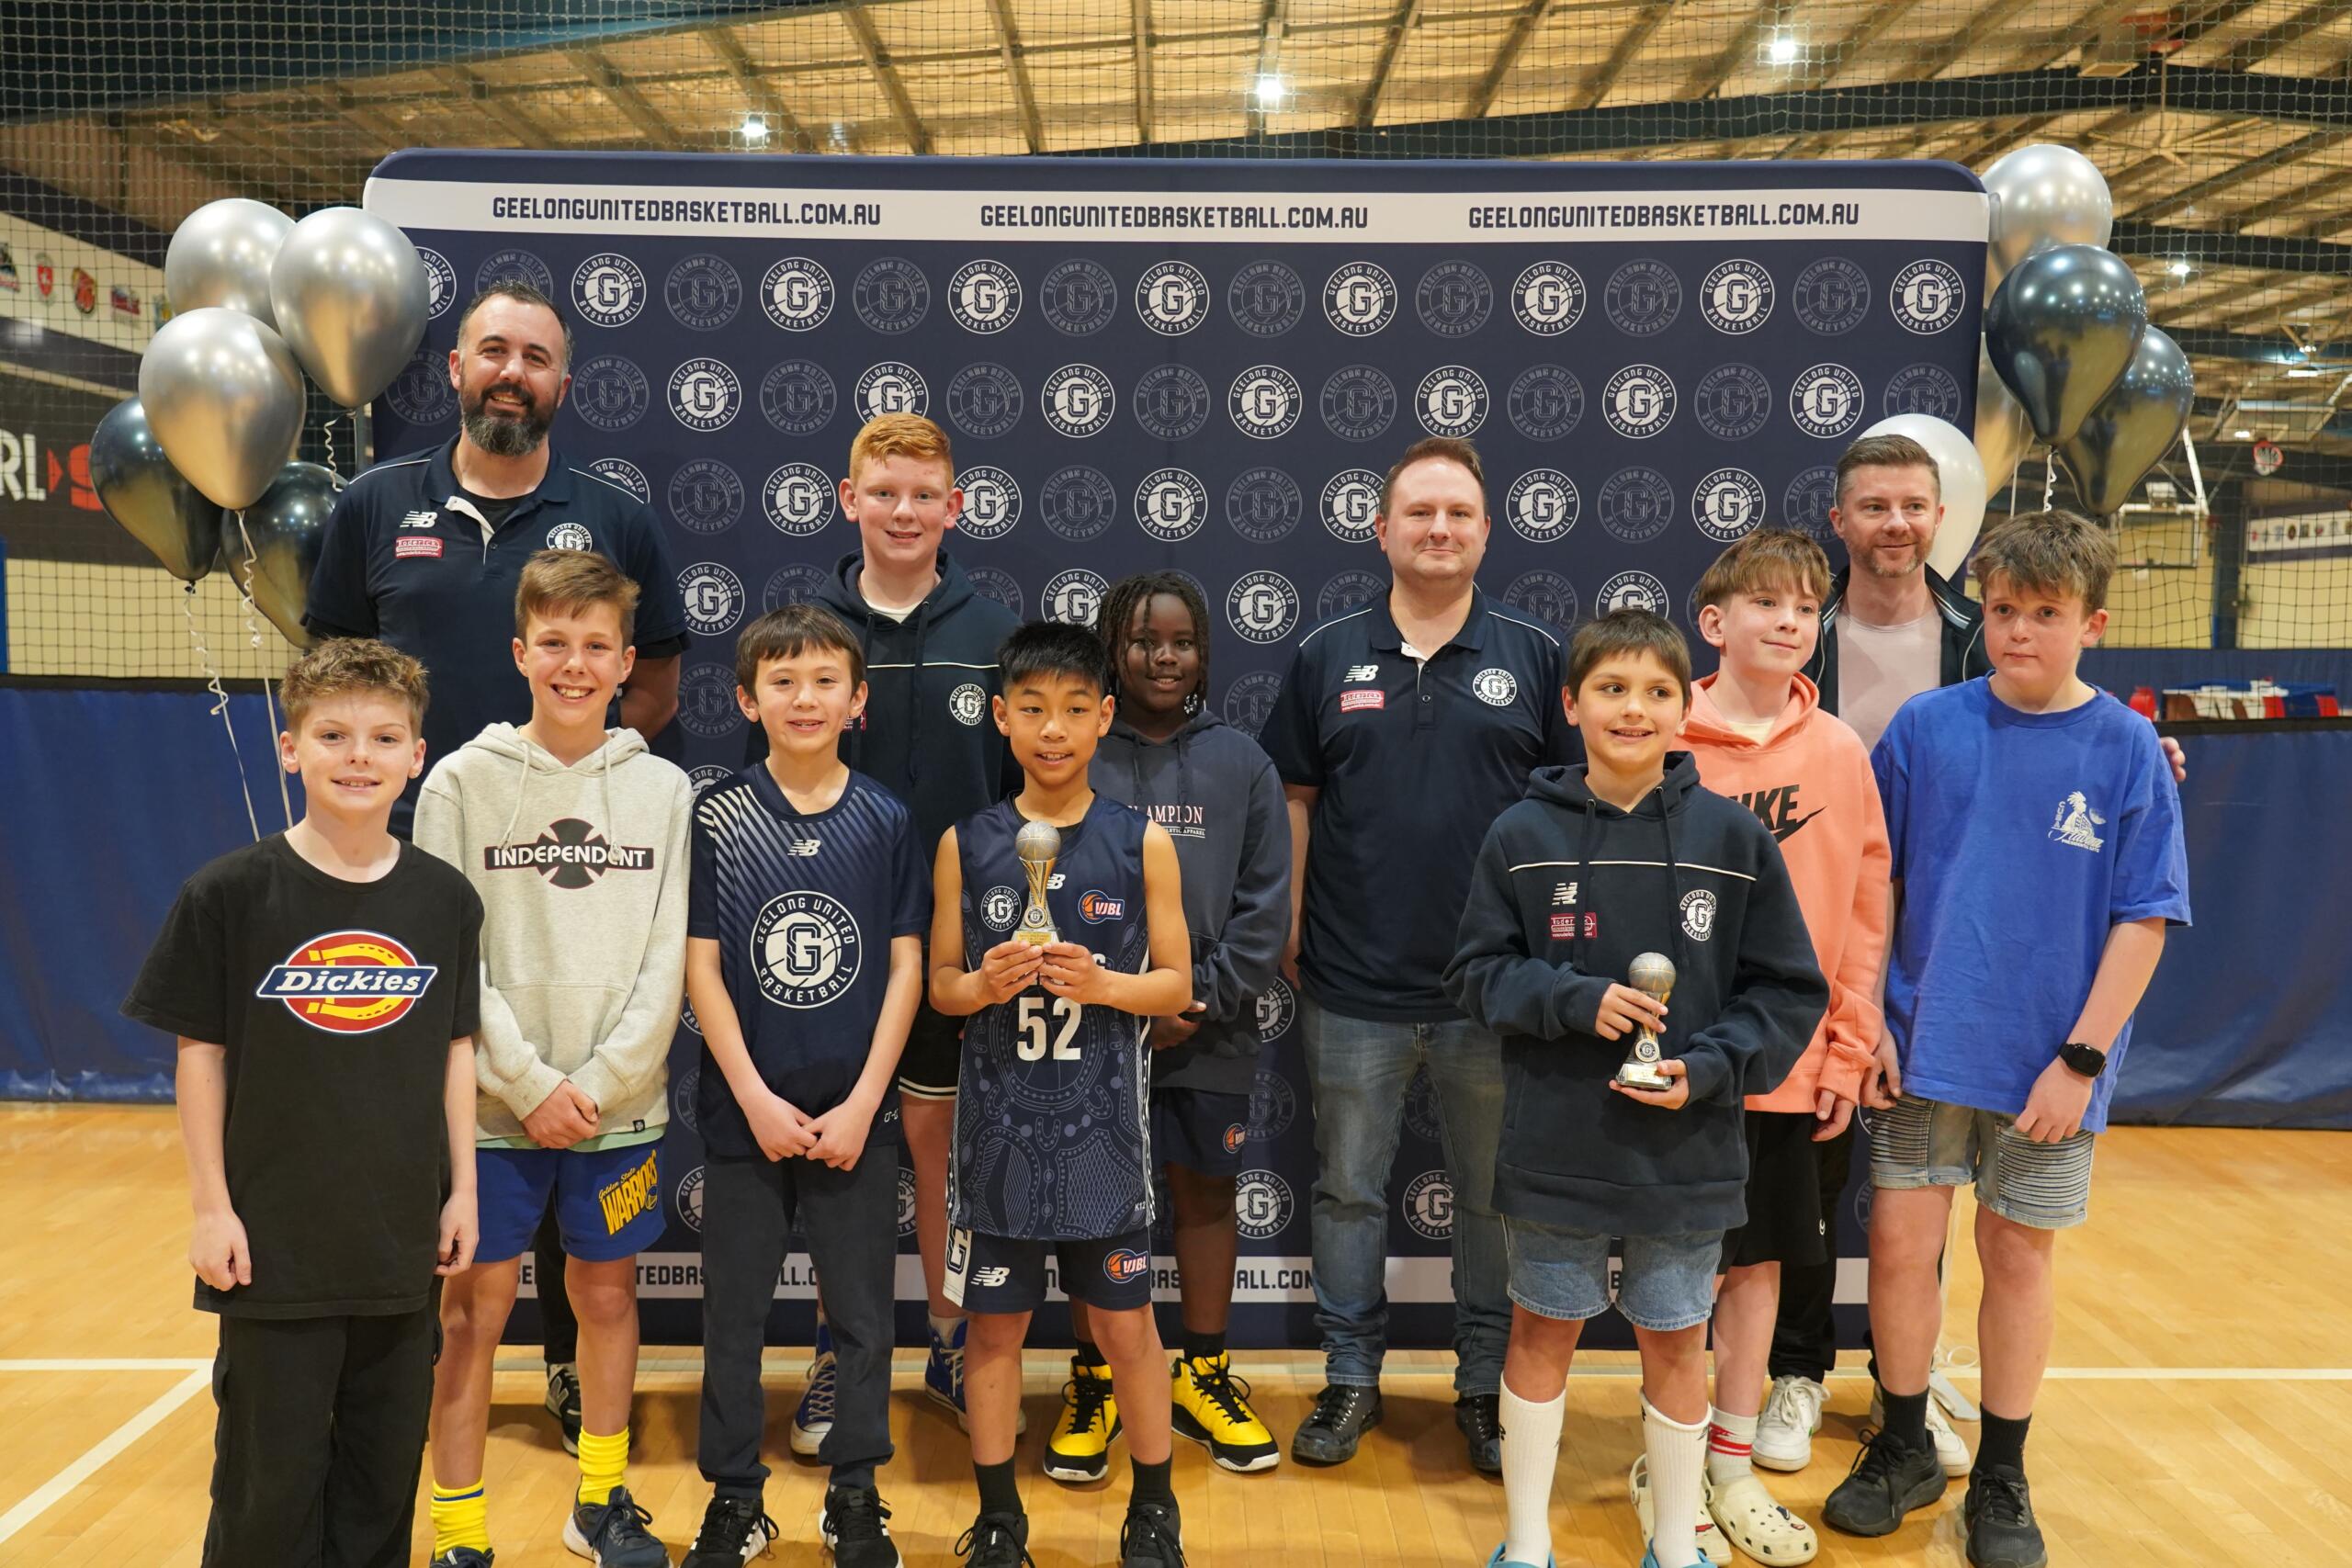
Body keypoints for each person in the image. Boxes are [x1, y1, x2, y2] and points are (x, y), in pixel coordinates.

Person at [1764, 434, 2185, 1476]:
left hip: (2046, 1060)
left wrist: (2080, 1059)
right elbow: (1879, 883)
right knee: (1896, 1243)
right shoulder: (1916, 720)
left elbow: (2144, 917)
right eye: (2004, 611)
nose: (2018, 630)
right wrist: (1870, 1018)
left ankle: (1999, 1468)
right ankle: (1891, 1436)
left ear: (2091, 624)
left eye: (2044, 613)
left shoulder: (2127, 746)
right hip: (1912, 1039)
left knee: (2015, 1254)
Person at [306, 278, 688, 1424]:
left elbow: (659, 681)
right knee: (416, 1132)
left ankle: (570, 1368)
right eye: (492, 351)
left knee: (570, 1118)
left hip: (568, 872)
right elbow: (334, 684)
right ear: (456, 369)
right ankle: (388, 1379)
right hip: (399, 872)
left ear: (562, 383)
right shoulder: (376, 504)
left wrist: (571, 780)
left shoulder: (612, 516)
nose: (512, 372)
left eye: (534, 356)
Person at [1443, 608, 1829, 1568]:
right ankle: (1527, 1542)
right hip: (1557, 1142)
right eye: (1611, 689)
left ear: (1682, 706)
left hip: (1686, 1149)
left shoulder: (1733, 837)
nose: (1634, 709)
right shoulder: (1521, 834)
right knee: (1542, 1332)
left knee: (1675, 1342)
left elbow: (1787, 991)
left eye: (1657, 691)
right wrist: (1572, 1000)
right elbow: (1476, 973)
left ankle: (1674, 1543)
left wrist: (1709, 1068)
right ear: (1571, 704)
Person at [122, 637, 482, 1568]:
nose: (358, 756)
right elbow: (199, 1056)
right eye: (332, 735)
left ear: (417, 755)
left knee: (379, 1484)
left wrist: (463, 1191)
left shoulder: (445, 899)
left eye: (384, 737)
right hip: (272, 1250)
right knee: (267, 1489)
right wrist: (211, 1207)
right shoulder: (229, 894)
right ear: (290, 749)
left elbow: (455, 1051)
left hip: (398, 1244)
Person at [1259, 434, 1578, 1471]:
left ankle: (1483, 1386)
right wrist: (1291, 924)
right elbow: (1295, 799)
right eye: (1419, 513)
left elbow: (1570, 817)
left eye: (1457, 514)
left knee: (1490, 1197)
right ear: (1382, 529)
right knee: (1348, 1190)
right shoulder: (1326, 653)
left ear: (1486, 531)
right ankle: (1350, 1376)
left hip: (1494, 991)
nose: (1439, 529)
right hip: (1351, 981)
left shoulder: (1535, 655)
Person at [413, 551, 692, 1568]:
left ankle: (602, 1502)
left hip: (619, 1106)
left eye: (596, 646)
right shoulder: (459, 783)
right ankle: (459, 1530)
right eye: (555, 644)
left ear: (625, 662)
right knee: (471, 1314)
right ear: (521, 652)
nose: (575, 664)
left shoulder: (663, 789)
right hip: (492, 1109)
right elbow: (452, 956)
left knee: (607, 1298)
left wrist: (600, 1083)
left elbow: (667, 956)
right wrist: (527, 1083)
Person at [757, 412, 1022, 1446]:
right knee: (842, 1156)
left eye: (923, 495)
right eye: (883, 493)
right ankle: (842, 1352)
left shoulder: (992, 634)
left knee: (941, 1152)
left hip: (954, 952)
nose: (903, 512)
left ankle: (950, 1342)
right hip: (832, 946)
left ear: (955, 507)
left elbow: (1021, 797)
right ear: (847, 500)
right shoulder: (807, 632)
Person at [1631, 530, 1890, 1564]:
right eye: (1765, 604)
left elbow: (1866, 909)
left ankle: (1730, 1466)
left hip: (1786, 1059)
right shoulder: (1659, 735)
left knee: (1757, 1268)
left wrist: (1846, 1045)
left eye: (1804, 608)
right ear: (1714, 622)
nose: (1787, 622)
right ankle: (1670, 1462)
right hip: (1675, 1062)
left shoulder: (1839, 752)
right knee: (1676, 1276)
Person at [927, 622, 1194, 1568]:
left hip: (1103, 1140)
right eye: (1033, 709)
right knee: (993, 1331)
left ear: (1104, 717)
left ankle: (1153, 1512)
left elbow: (1175, 985)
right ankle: (1001, 1519)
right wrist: (984, 983)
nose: (1053, 728)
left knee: (1127, 1327)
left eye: (1076, 709)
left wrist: (1105, 984)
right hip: (998, 1137)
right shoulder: (967, 843)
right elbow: (942, 988)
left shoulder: (1141, 841)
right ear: (1001, 716)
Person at [679, 604, 928, 1568]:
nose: (805, 698)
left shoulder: (886, 818)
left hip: (855, 1117)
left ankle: (855, 1495)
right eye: (782, 682)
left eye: (826, 681)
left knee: (862, 1318)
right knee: (733, 1319)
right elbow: (701, 966)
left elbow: (904, 966)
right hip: (745, 1114)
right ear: (748, 700)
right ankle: (735, 1498)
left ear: (857, 700)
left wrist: (866, 1100)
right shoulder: (720, 816)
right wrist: (750, 1095)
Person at [1035, 572, 1289, 1483]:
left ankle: (1203, 1373)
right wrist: (1117, 995)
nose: (1164, 657)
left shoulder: (1242, 763)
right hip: (1092, 1027)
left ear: (1204, 652)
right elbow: (1037, 885)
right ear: (1114, 649)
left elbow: (1265, 907)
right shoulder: (1074, 750)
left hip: (1208, 1027)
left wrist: (1197, 996)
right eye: (1144, 641)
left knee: (1205, 1192)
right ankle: (1095, 1378)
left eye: (1181, 641)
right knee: (1091, 1201)